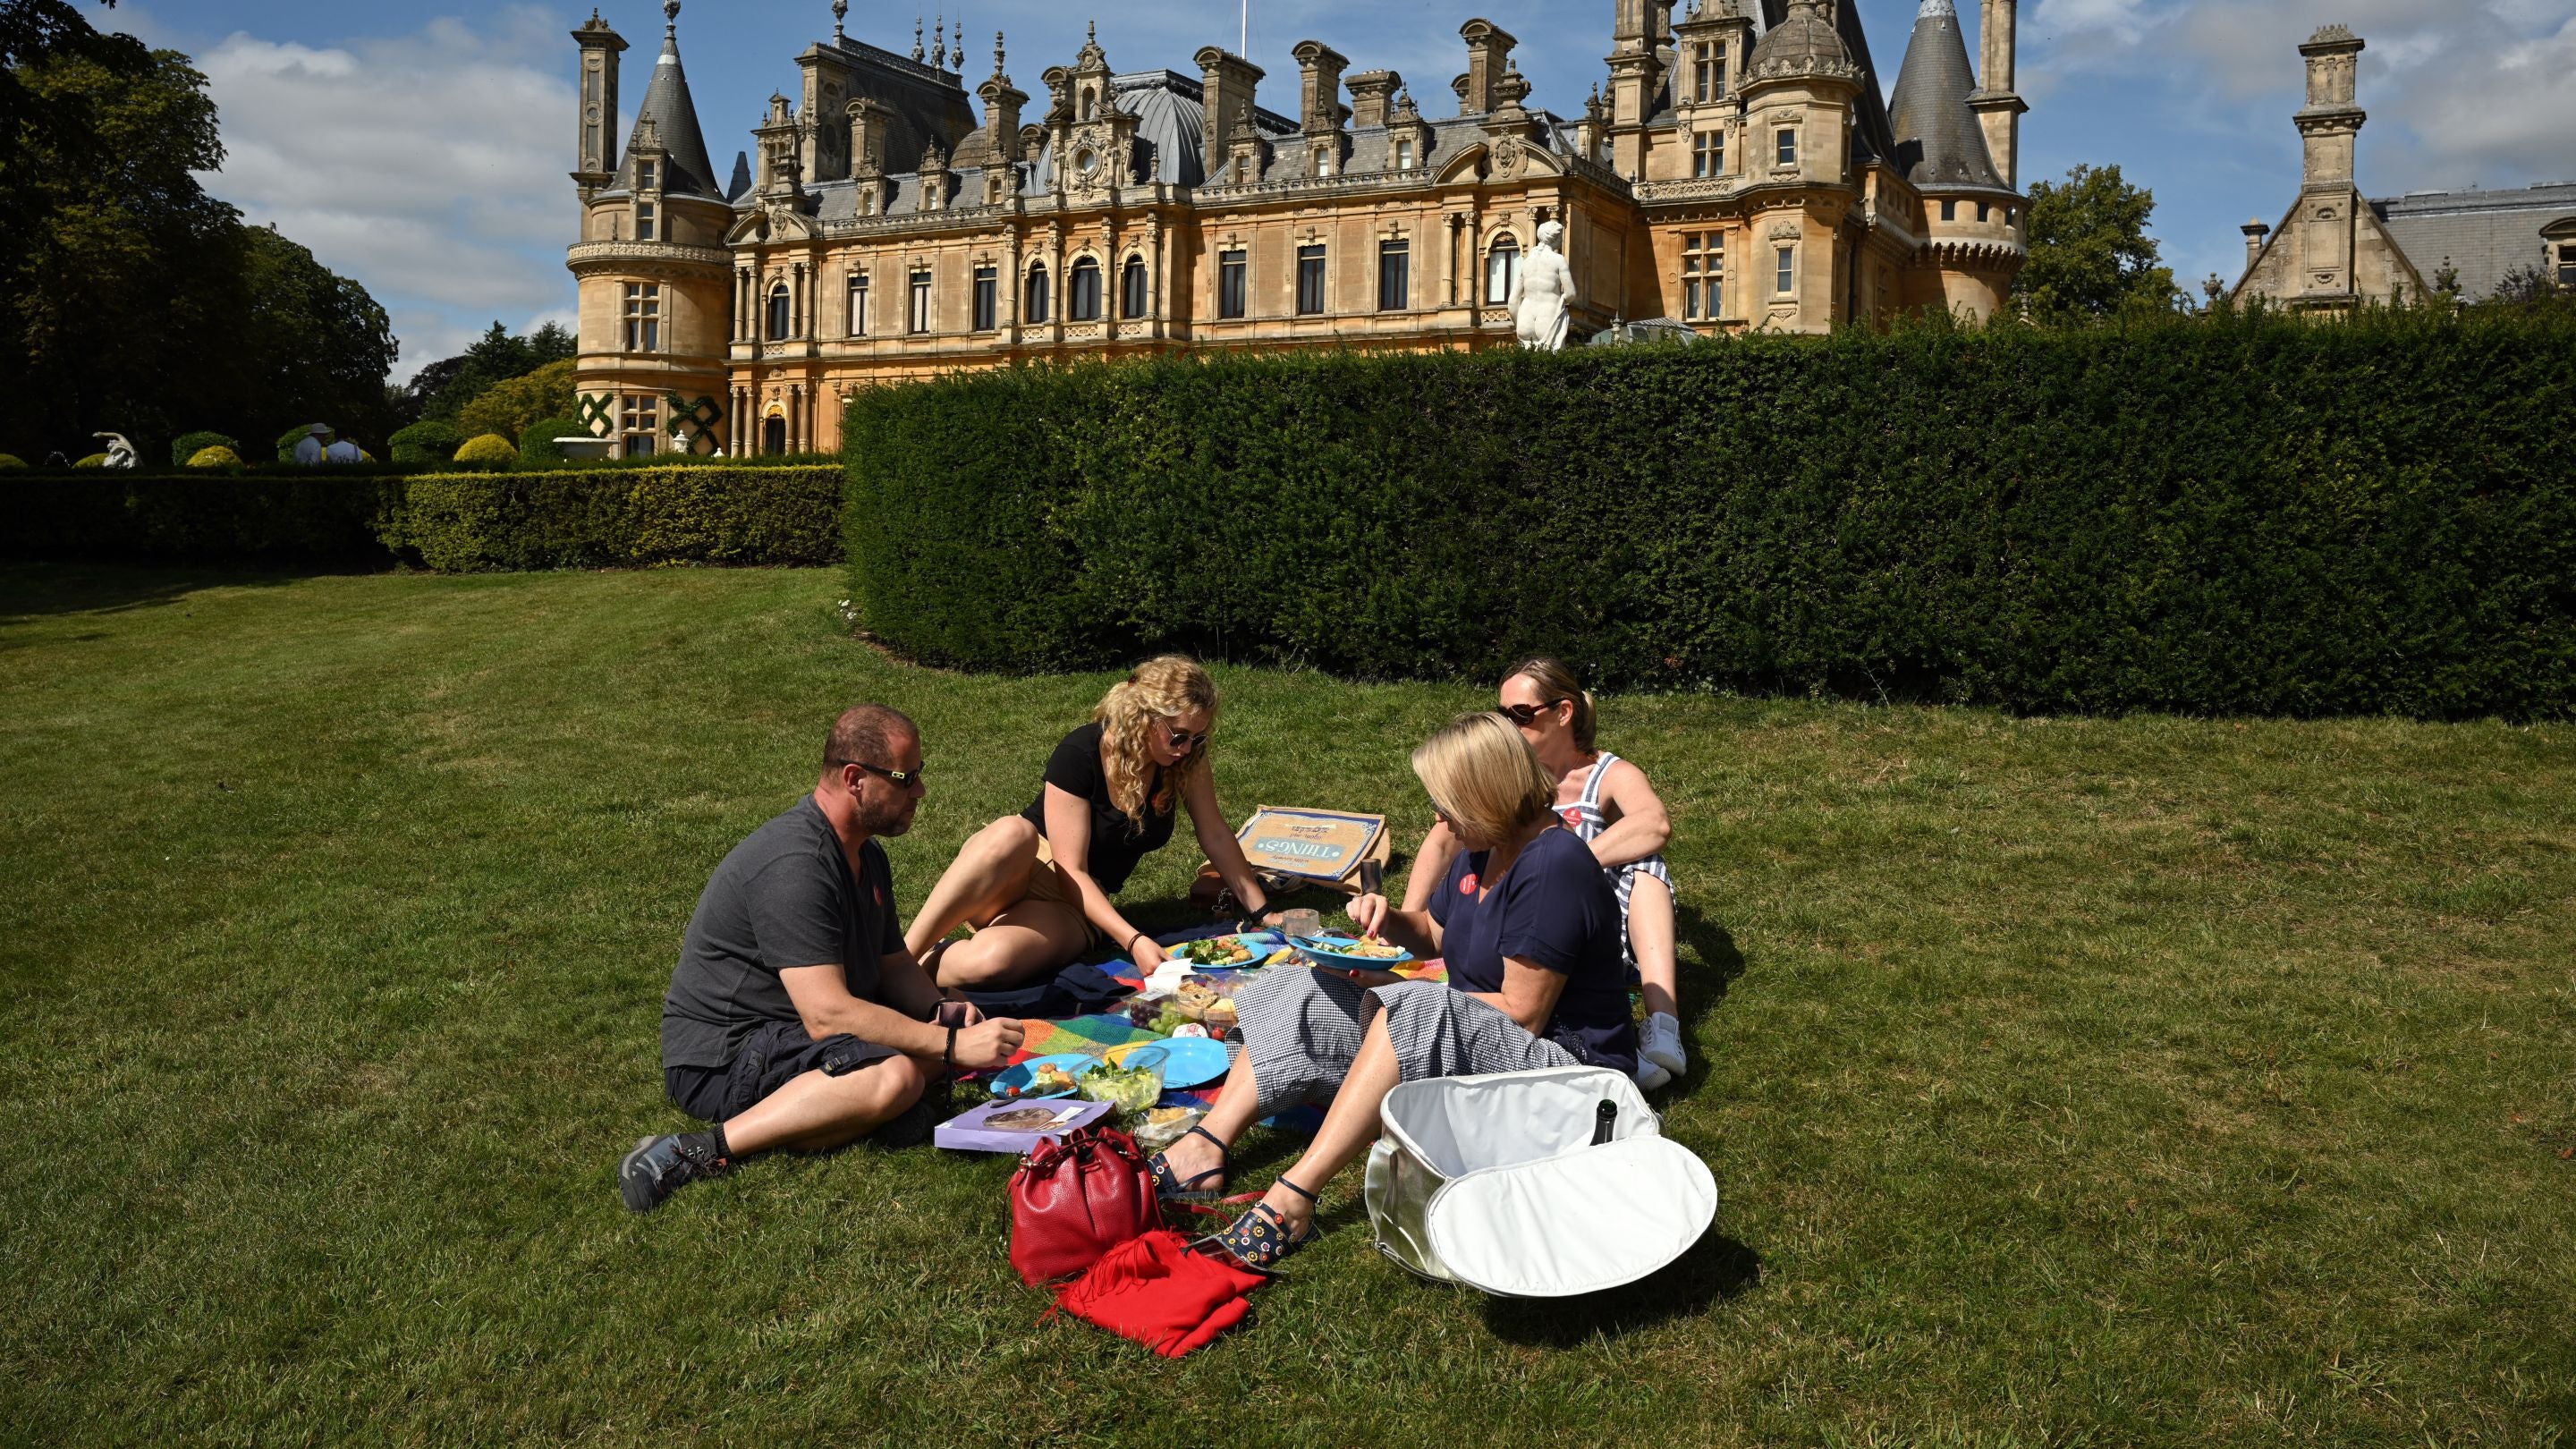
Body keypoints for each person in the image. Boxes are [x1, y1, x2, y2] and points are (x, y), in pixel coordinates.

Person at [1146, 711, 1635, 1268]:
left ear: (1487, 794)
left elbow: (1523, 1013)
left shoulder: (1552, 865)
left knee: (1412, 1007)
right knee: (1299, 982)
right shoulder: (1486, 847)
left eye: (1449, 802)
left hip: (1565, 1069)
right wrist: (1390, 918)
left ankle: (1293, 1198)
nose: (1439, 816)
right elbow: (1435, 935)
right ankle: (1205, 1146)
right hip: (1482, 1032)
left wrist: (1396, 993)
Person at [619, 705, 1027, 1212]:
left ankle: (853, 1112)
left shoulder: (866, 853)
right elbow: (827, 1013)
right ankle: (696, 1149)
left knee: (917, 1057)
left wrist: (938, 1012)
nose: (920, 791)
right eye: (907, 778)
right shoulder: (796, 864)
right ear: (855, 778)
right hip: (723, 1057)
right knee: (899, 1075)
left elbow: (893, 963)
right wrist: (950, 1046)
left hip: (792, 1033)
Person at [903, 656, 1280, 990]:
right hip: (1021, 867)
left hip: (1077, 902)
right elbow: (1069, 867)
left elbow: (1214, 833)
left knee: (988, 965)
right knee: (1011, 831)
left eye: (1198, 738)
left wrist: (1263, 913)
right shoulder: (1081, 752)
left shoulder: (1185, 762)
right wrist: (1134, 940)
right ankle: (897, 961)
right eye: (1179, 736)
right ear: (1144, 717)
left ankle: (925, 968)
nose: (1186, 748)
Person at [1402, 658, 1687, 1089]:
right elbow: (1444, 837)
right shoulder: (1497, 780)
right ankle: (1622, 1047)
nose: (1509, 725)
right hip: (1521, 916)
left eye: (1519, 714)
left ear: (1563, 712)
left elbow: (1655, 825)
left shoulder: (1606, 774)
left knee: (1647, 862)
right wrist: (1404, 921)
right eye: (1502, 715)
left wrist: (1561, 864)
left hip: (1594, 927)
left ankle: (1663, 1022)